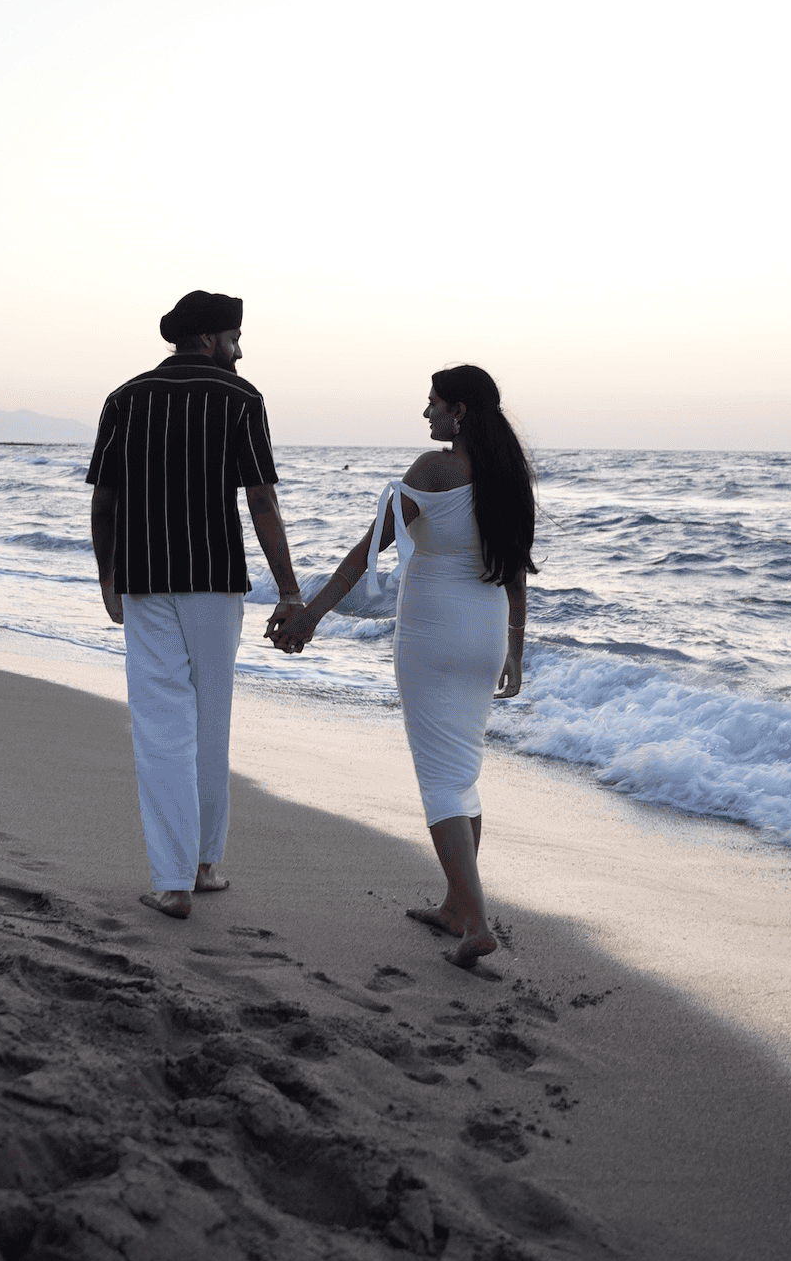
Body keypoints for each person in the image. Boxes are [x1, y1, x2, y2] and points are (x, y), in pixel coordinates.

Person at [270, 365, 535, 968]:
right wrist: (516, 649)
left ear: (460, 410)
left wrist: (310, 615)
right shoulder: (507, 478)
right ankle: (453, 905)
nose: (427, 414)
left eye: (435, 403)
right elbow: (515, 571)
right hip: (487, 634)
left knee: (439, 777)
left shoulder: (432, 471)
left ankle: (477, 923)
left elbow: (366, 554)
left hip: (434, 636)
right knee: (462, 768)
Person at [88, 290, 306, 922]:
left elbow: (105, 499)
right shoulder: (242, 399)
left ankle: (173, 881)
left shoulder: (125, 399)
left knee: (162, 725)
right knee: (212, 719)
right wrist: (289, 590)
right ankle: (204, 865)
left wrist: (107, 575)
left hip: (146, 579)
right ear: (211, 339)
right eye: (234, 336)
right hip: (215, 582)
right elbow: (262, 501)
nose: (240, 347)